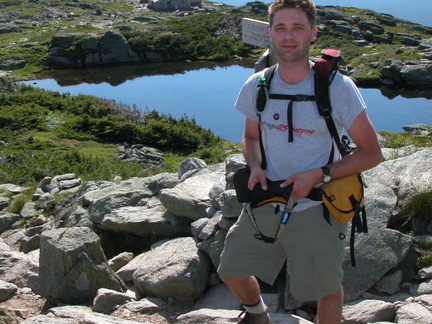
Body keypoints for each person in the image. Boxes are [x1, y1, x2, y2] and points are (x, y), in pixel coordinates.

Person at [217, 0, 382, 323]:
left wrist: (319, 174)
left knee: (326, 288)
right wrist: (255, 166)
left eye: (297, 28)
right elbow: (250, 138)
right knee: (231, 270)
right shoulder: (258, 84)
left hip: (317, 206)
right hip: (267, 198)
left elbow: (371, 152)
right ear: (270, 34)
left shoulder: (337, 87)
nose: (288, 36)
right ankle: (257, 315)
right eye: (280, 28)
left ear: (313, 33)